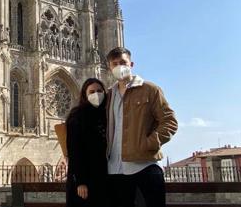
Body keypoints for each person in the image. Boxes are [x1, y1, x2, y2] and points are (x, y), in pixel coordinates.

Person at [105, 47, 178, 207]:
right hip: (115, 169)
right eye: (114, 64)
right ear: (109, 67)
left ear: (131, 64)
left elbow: (170, 122)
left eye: (123, 62)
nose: (119, 67)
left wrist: (148, 143)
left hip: (144, 166)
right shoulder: (109, 95)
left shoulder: (150, 89)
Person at [66, 78, 108, 207]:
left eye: (99, 91)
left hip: (105, 175)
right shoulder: (77, 116)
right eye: (91, 92)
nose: (96, 94)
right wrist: (80, 181)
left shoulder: (107, 113)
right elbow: (74, 150)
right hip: (85, 178)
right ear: (85, 95)